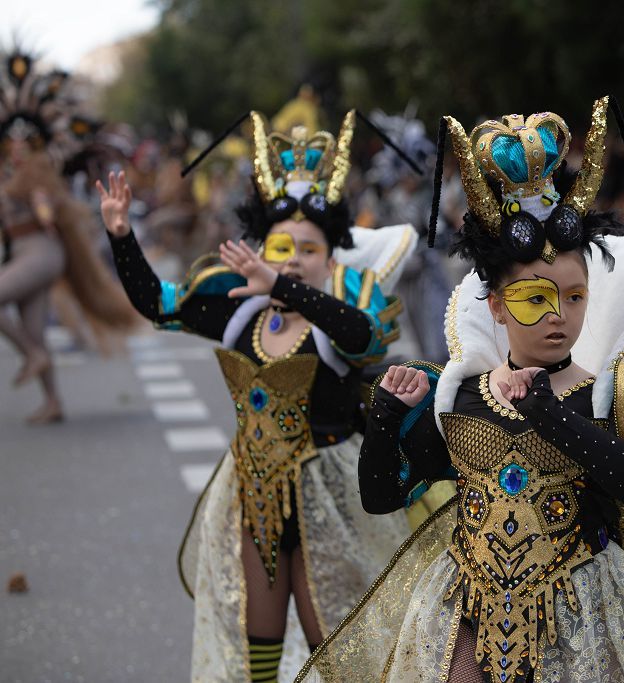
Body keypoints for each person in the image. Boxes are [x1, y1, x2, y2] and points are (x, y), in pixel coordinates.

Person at [298, 97, 624, 683]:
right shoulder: (460, 397)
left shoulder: (612, 396)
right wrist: (387, 418)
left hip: (579, 621)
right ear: (495, 305)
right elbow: (383, 497)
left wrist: (550, 415)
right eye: (533, 298)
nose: (558, 315)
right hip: (467, 608)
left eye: (574, 297)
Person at [98, 111, 418, 682]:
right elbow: (156, 303)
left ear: (331, 260)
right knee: (259, 644)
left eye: (308, 249)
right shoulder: (240, 315)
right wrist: (121, 236)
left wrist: (285, 287)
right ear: (261, 252)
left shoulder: (337, 320)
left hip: (331, 494)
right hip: (256, 494)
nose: (292, 257)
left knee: (333, 642)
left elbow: (362, 336)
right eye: (280, 246)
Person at [0, 51, 137, 423]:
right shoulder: (7, 174)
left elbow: (46, 201)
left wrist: (44, 207)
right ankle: (53, 401)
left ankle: (32, 355)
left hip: (42, 253)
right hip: (24, 255)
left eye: (25, 141)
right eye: (11, 141)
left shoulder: (36, 172)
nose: (16, 147)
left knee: (28, 335)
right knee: (33, 329)